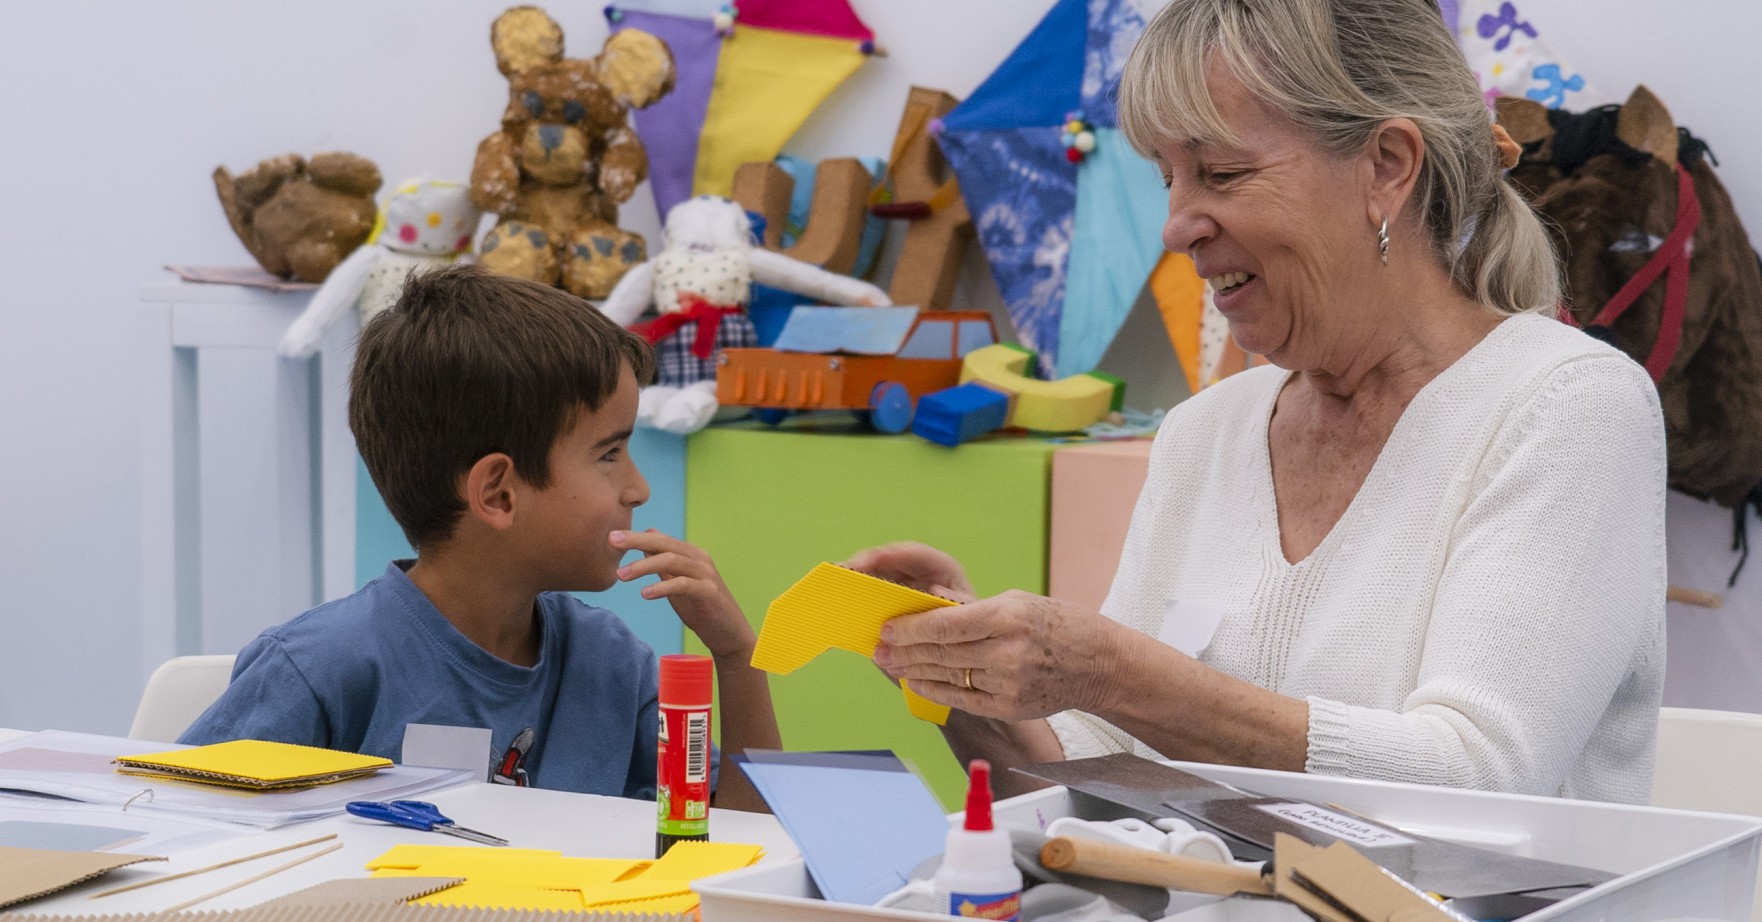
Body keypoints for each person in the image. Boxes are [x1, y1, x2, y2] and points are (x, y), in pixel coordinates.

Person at [853, 0, 1666, 804]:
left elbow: (1479, 777)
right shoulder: (1207, 432)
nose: (1175, 226)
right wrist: (959, 671)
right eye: (1167, 178)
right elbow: (1103, 776)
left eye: (1222, 174)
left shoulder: (1568, 408)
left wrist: (1111, 671)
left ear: (1386, 166)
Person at [181, 264, 780, 810]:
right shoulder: (319, 669)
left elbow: (747, 845)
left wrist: (737, 658)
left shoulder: (611, 664)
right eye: (610, 453)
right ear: (497, 493)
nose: (638, 488)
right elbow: (181, 839)